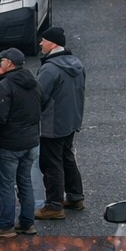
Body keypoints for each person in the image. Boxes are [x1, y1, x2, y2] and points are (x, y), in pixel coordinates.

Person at [0, 47, 43, 237]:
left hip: (9, 144)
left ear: (9, 63)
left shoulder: (6, 86)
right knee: (25, 181)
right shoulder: (33, 82)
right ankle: (27, 223)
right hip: (31, 142)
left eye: (1, 61)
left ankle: (5, 226)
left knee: (6, 185)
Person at [35, 28, 86, 220]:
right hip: (71, 120)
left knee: (50, 163)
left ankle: (54, 205)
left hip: (52, 123)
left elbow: (38, 96)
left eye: (43, 40)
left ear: (53, 44)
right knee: (66, 156)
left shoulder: (50, 69)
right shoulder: (77, 64)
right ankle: (75, 196)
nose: (40, 44)